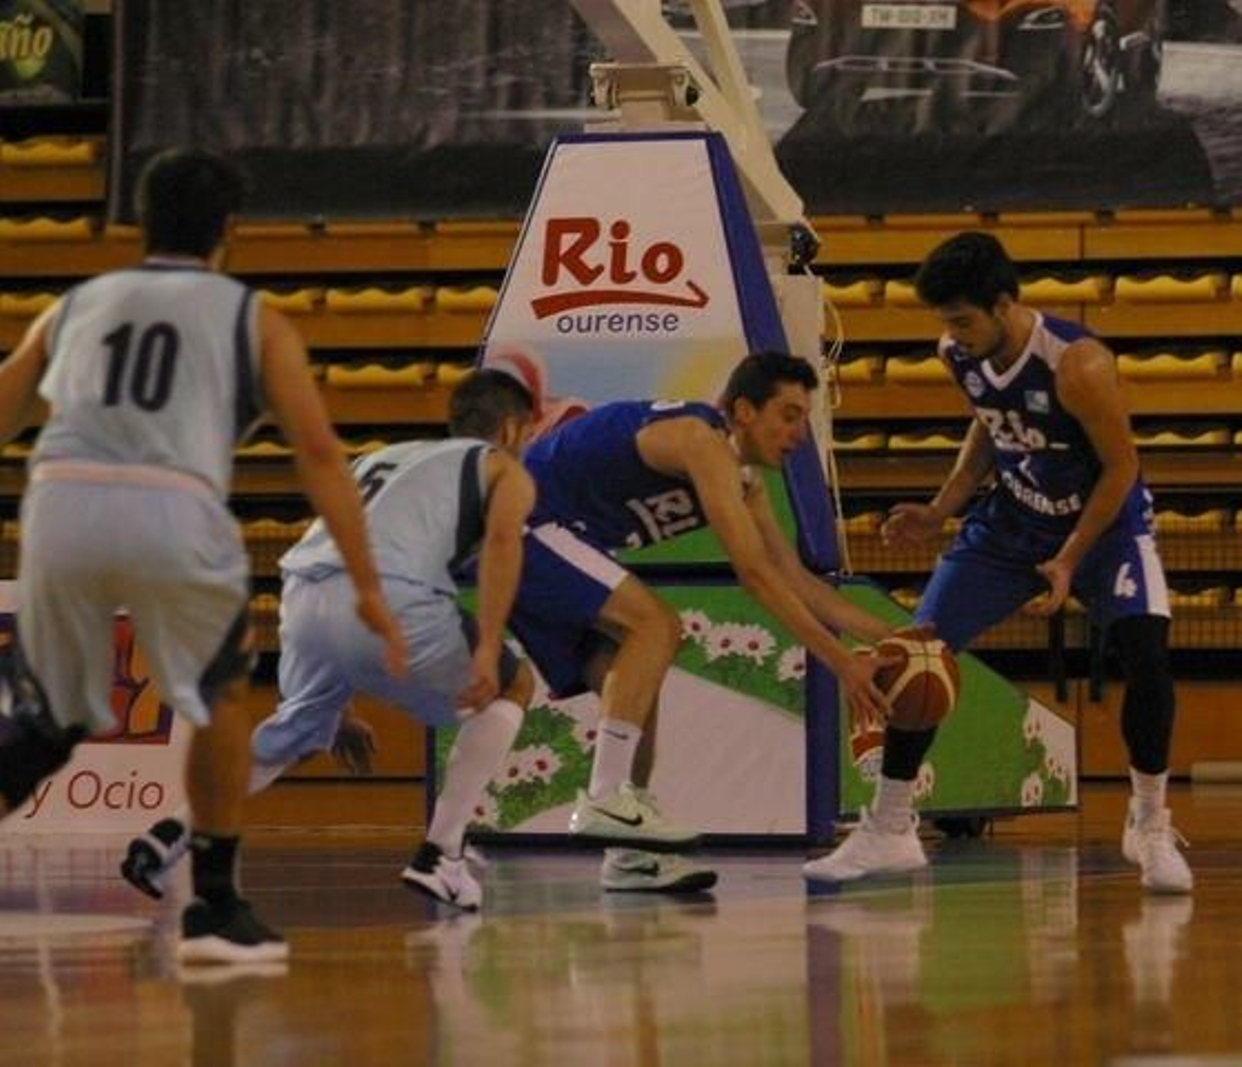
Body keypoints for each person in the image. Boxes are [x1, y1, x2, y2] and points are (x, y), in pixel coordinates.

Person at [0, 147, 407, 963]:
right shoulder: (250, 317)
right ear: (230, 229)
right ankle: (216, 907)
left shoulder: (76, 303)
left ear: (139, 221)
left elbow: (5, 403)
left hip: (59, 502)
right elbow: (321, 456)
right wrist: (368, 584)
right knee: (220, 692)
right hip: (169, 505)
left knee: (54, 720)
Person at [802, 232, 1192, 894]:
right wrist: (941, 507)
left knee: (1147, 654)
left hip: (1102, 524)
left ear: (1005, 303)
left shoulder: (1078, 364)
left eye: (962, 319)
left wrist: (1070, 558)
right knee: (918, 653)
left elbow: (1122, 466)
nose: (952, 333)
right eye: (945, 321)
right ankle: (891, 827)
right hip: (1011, 518)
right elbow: (989, 424)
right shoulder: (959, 351)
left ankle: (1149, 822)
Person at [120, 369, 540, 912]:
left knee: (296, 731)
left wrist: (335, 699)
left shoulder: (384, 457)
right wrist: (486, 647)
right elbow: (505, 543)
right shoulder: (502, 468)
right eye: (527, 434)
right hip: (390, 594)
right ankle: (441, 854)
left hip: (303, 593)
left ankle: (167, 836)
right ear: (510, 429)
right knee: (513, 685)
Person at [507, 350, 894, 891]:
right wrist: (842, 663)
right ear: (742, 410)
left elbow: (802, 585)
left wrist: (902, 637)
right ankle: (605, 799)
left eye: (805, 418)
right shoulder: (698, 440)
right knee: (659, 626)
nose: (800, 433)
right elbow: (755, 577)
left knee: (638, 675)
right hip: (519, 517)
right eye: (789, 414)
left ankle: (628, 851)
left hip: (557, 533)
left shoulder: (743, 481)